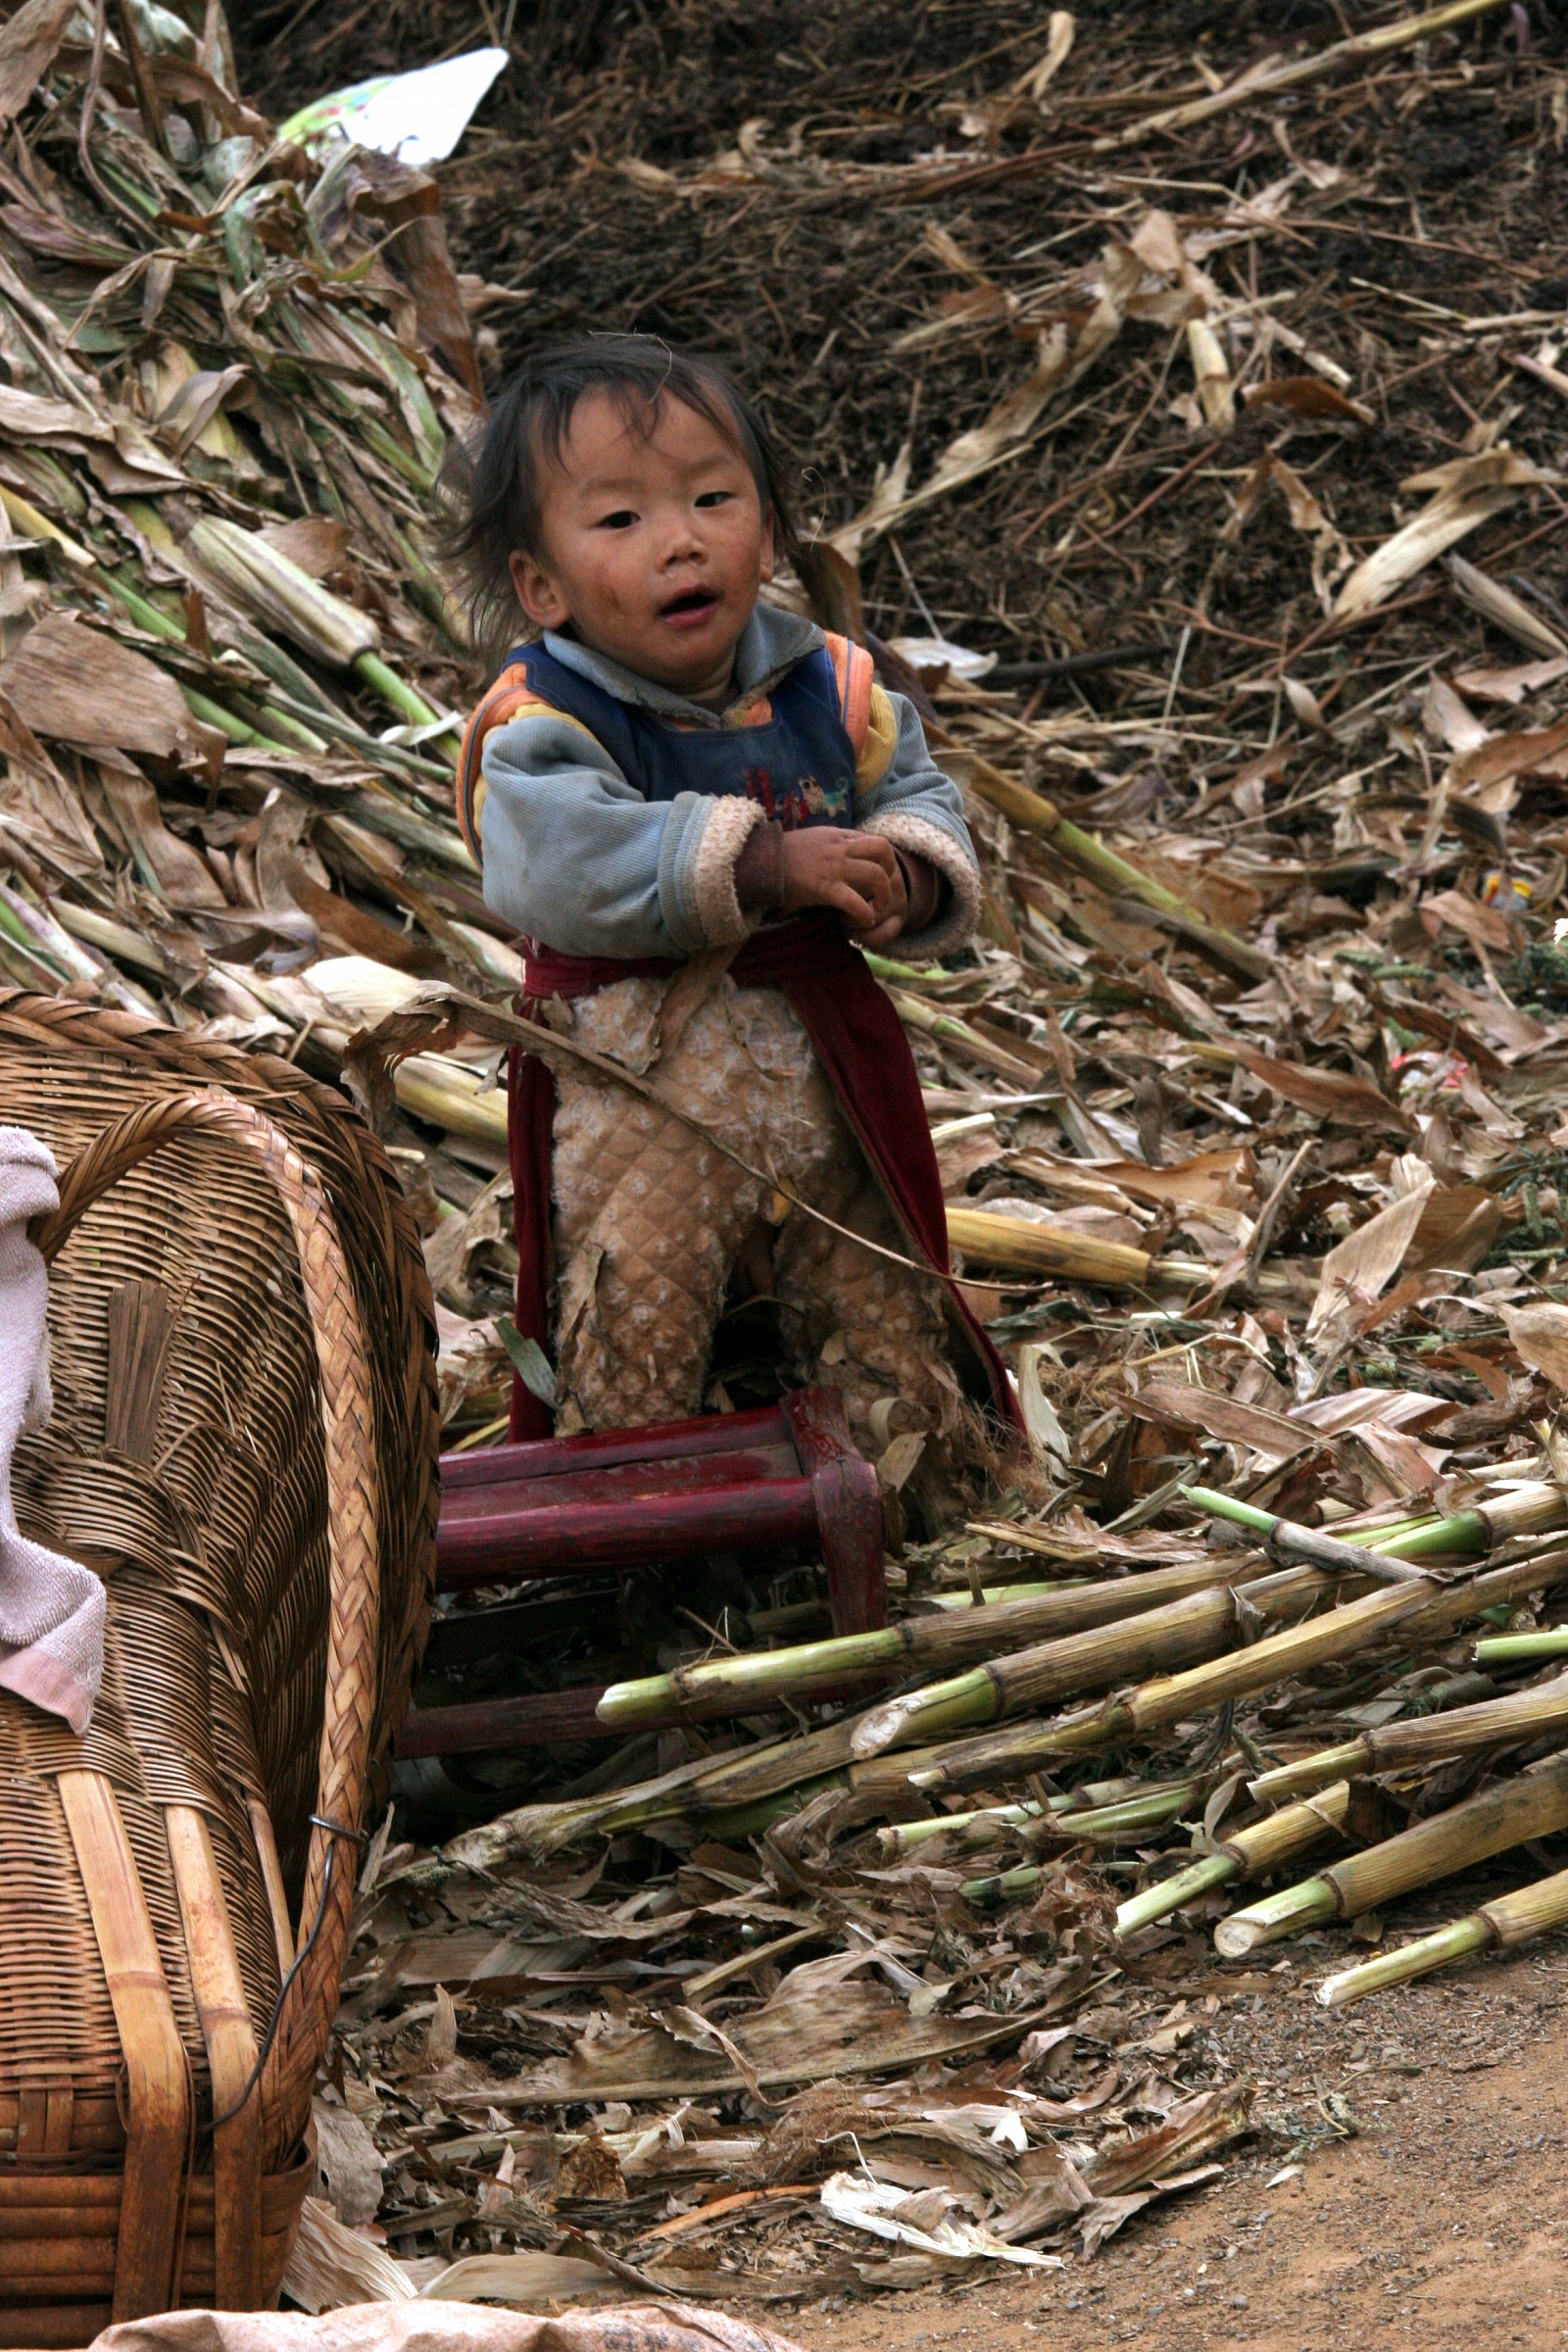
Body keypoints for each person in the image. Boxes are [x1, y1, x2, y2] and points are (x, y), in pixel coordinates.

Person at [447, 334, 1020, 1516]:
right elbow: (556, 862)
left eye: (714, 499)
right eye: (621, 519)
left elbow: (915, 791)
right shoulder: (544, 720)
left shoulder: (832, 684)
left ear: (768, 533)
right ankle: (643, 1523)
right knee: (638, 1304)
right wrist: (761, 862)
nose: (681, 540)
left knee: (872, 1283)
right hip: (643, 1086)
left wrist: (906, 872)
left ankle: (912, 1490)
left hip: (822, 1071)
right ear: (542, 586)